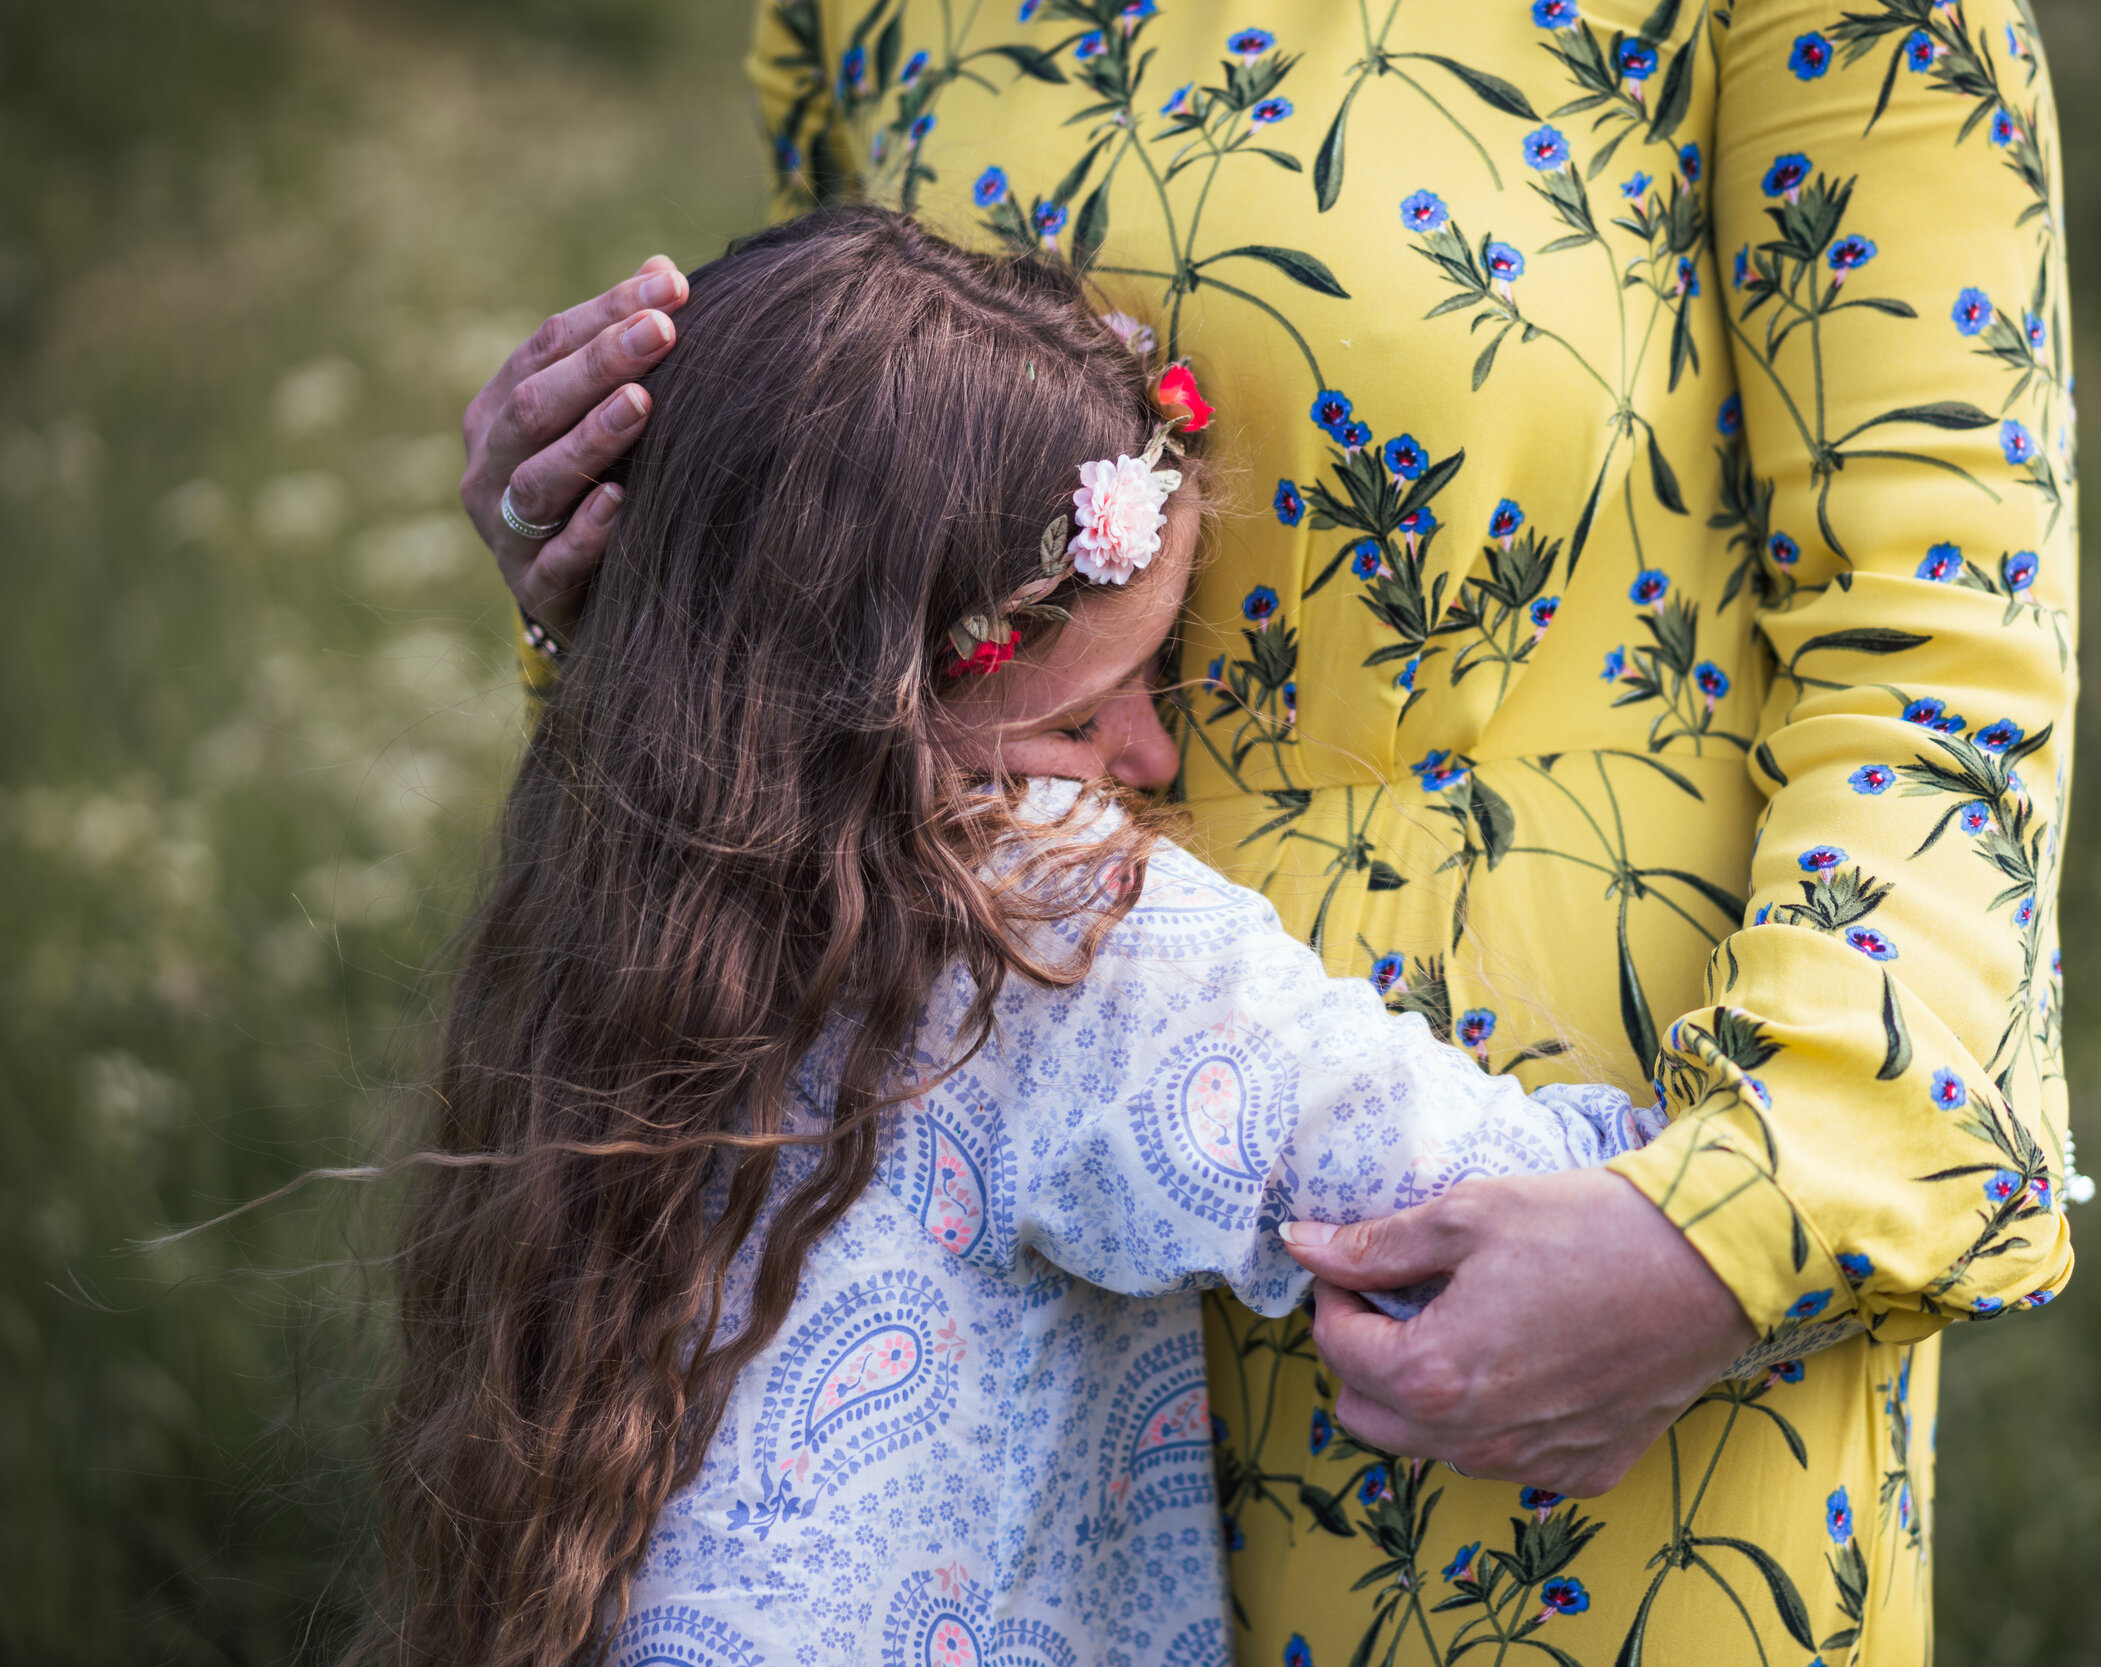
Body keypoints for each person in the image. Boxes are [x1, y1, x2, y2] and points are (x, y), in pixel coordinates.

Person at [458, 2, 2082, 1659]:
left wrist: (1750, 1222)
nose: (1142, 753)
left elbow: (1939, 634)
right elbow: (838, 535)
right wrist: (628, 587)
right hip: (983, 1355)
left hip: (1571, 1313)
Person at [371, 203, 1701, 1667]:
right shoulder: (1030, 912)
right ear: (874, 702)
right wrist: (1790, 1193)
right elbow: (1505, 1207)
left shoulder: (638, 885)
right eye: (1080, 712)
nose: (1149, 755)